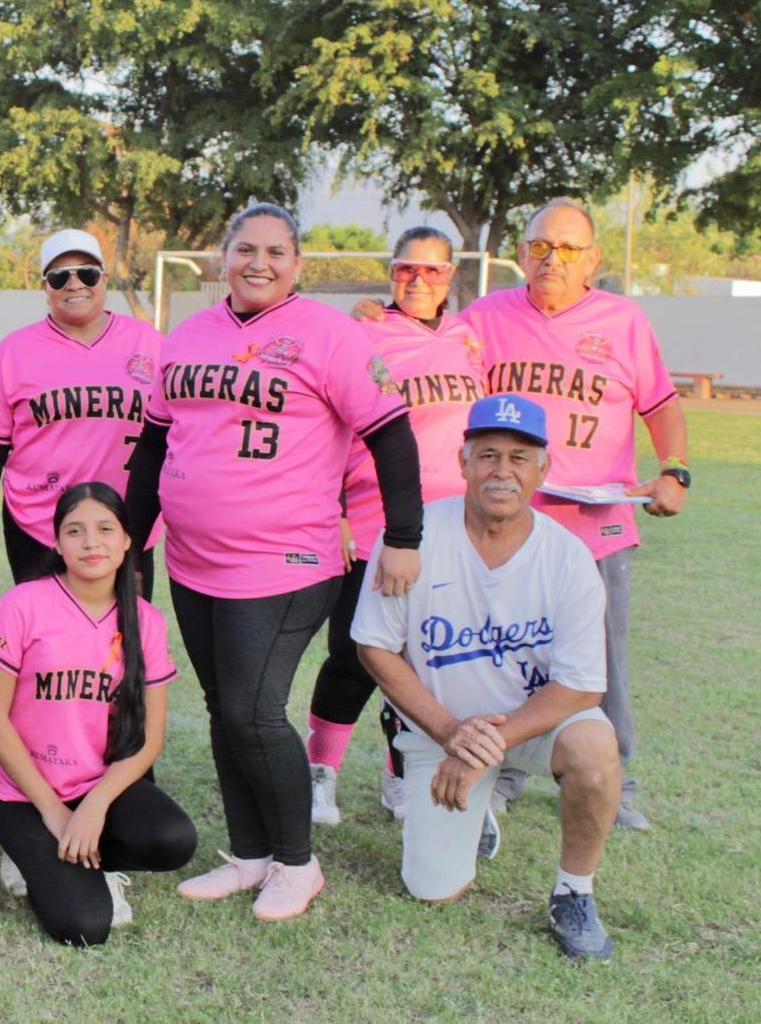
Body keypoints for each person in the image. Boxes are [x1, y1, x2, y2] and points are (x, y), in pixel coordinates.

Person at [126, 203, 424, 922]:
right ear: (222, 255)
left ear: (297, 264)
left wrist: (404, 535)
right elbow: (154, 447)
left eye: (275, 252)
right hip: (195, 561)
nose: (258, 263)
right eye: (244, 249)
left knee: (255, 711)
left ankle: (298, 861)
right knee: (225, 710)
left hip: (287, 561)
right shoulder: (189, 336)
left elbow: (392, 434)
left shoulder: (331, 334)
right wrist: (132, 544)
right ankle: (252, 853)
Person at [360, 200, 688, 830]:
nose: (552, 260)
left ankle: (615, 779)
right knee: (497, 651)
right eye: (540, 247)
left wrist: (674, 469)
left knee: (600, 657)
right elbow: (426, 338)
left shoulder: (623, 320)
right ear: (522, 253)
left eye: (567, 249)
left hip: (596, 521)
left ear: (591, 258)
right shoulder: (486, 317)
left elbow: (662, 403)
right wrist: (377, 314)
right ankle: (501, 770)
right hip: (504, 522)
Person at [353, 394, 622, 962]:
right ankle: (476, 811)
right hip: (439, 730)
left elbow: (582, 687)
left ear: (544, 469)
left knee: (596, 744)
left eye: (520, 458)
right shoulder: (413, 537)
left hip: (529, 727)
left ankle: (574, 892)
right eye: (489, 455)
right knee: (432, 890)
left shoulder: (567, 556)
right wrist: (452, 733)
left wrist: (482, 746)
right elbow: (375, 647)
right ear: (463, 462)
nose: (503, 471)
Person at [308, 227, 486, 827]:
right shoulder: (361, 332)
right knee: (355, 654)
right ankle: (320, 773)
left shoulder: (469, 338)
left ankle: (399, 775)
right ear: (390, 272)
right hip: (376, 519)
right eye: (406, 269)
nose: (418, 281)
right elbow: (327, 427)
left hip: (453, 528)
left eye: (432, 271)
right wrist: (333, 513)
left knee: (426, 662)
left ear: (451, 275)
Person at [0, 482, 196, 945]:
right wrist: (54, 812)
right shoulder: (23, 605)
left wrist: (94, 807)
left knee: (174, 839)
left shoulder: (145, 621)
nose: (91, 542)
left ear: (127, 541)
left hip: (99, 789)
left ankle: (95, 859)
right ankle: (27, 857)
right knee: (85, 927)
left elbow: (149, 741)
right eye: (75, 531)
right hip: (26, 799)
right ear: (56, 542)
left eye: (104, 529)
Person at [0, 229, 163, 595]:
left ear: (104, 279)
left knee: (124, 641)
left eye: (86, 273)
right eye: (59, 276)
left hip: (127, 524)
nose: (74, 285)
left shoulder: (149, 344)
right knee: (46, 642)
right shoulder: (15, 351)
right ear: (45, 287)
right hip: (38, 522)